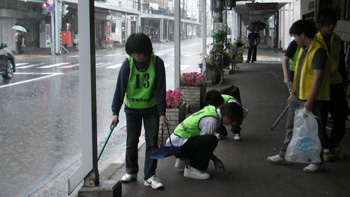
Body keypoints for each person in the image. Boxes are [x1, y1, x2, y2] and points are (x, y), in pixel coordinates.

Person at [267, 20, 329, 173]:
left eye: (295, 36)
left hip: (311, 98)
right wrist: (293, 92)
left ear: (302, 35)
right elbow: (299, 75)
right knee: (291, 127)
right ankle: (286, 155)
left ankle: (317, 161)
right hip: (298, 95)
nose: (294, 39)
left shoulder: (318, 51)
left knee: (314, 131)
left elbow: (317, 78)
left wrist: (310, 100)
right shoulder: (303, 49)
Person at [110, 33, 168, 189]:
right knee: (131, 142)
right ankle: (131, 171)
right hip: (132, 110)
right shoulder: (127, 64)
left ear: (147, 50)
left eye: (139, 52)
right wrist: (115, 112)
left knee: (151, 142)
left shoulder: (157, 63)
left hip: (152, 110)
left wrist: (162, 112)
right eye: (133, 52)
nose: (136, 56)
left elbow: (161, 88)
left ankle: (149, 175)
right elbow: (120, 88)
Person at [167, 102, 243, 180]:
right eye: (231, 121)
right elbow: (204, 144)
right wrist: (216, 160)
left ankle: (183, 160)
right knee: (211, 140)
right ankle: (192, 169)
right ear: (228, 115)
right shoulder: (212, 120)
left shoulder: (212, 109)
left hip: (175, 142)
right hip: (178, 146)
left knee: (205, 139)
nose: (230, 124)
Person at [315, 8, 347, 161]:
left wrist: (345, 82)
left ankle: (332, 143)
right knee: (320, 119)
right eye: (328, 24)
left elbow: (341, 63)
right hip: (320, 86)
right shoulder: (314, 40)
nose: (331, 27)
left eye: (333, 24)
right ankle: (326, 147)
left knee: (341, 117)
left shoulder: (338, 40)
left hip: (336, 83)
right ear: (320, 24)